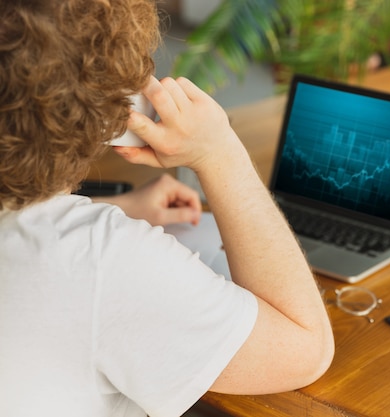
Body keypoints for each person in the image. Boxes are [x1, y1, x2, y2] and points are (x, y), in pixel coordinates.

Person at [0, 1, 334, 416]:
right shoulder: (102, 260)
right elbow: (306, 348)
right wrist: (220, 153)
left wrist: (121, 205)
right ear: (116, 104)